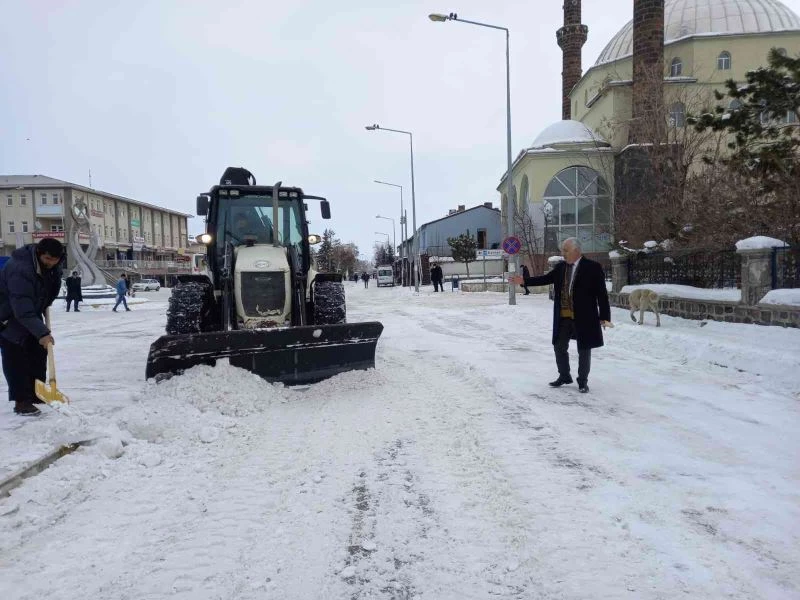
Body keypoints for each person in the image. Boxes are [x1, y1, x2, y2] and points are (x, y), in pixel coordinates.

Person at [510, 237, 610, 393]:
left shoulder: (593, 267)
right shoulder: (561, 267)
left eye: (566, 250)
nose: (563, 254)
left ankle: (582, 381)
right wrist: (524, 281)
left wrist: (604, 316)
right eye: (562, 250)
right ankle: (564, 376)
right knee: (559, 346)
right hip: (564, 315)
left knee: (584, 349)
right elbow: (545, 279)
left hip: (584, 317)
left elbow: (602, 294)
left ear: (576, 251)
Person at [0, 238, 64, 416]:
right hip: (7, 316)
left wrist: (45, 303)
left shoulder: (53, 265)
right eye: (47, 259)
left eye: (55, 260)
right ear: (39, 253)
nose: (51, 263)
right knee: (16, 357)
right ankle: (21, 401)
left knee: (38, 351)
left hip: (30, 312)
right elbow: (21, 306)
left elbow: (47, 288)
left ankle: (36, 393)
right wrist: (42, 332)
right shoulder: (20, 269)